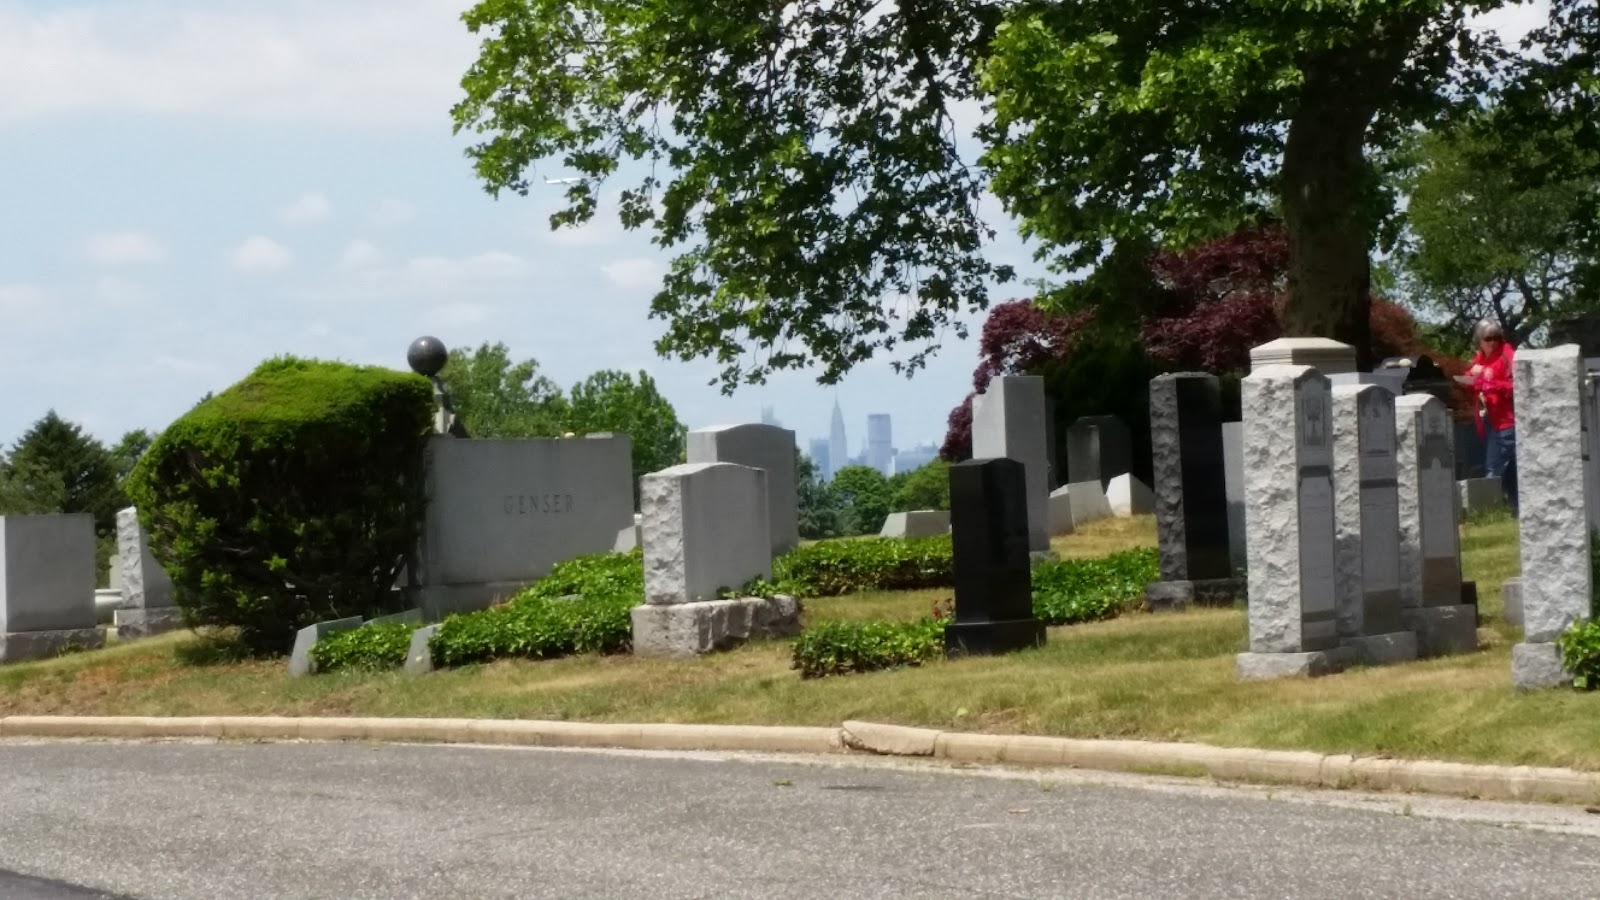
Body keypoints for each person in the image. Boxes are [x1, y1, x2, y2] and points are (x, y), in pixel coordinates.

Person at [1467, 319, 1517, 512]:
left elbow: (1516, 386)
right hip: (1489, 420)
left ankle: (1487, 511)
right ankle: (1514, 507)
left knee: (1493, 467)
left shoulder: (1507, 355)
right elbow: (1469, 379)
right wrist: (1473, 374)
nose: (1493, 342)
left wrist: (1491, 382)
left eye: (1497, 337)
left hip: (1506, 421)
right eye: (1488, 338)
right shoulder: (1481, 357)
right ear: (1479, 340)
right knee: (1510, 469)